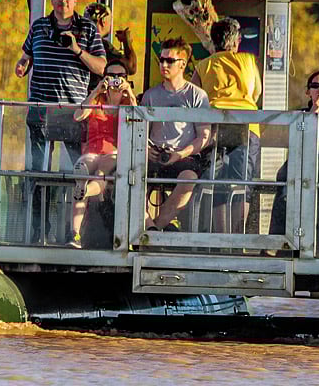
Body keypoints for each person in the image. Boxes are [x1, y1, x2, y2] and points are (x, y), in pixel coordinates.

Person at [14, 0, 106, 243]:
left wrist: (76, 49)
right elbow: (27, 56)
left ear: (75, 1)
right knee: (37, 173)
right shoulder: (39, 26)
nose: (62, 2)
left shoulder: (87, 28)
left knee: (79, 173)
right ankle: (38, 232)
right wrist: (22, 65)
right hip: (41, 110)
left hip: (73, 114)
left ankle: (79, 232)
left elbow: (101, 67)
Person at [267, 71, 319, 258]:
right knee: (285, 178)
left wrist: (308, 143)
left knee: (318, 181)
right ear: (308, 92)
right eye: (315, 86)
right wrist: (313, 116)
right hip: (301, 161)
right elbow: (293, 142)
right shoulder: (301, 116)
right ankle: (277, 238)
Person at [191, 18, 263, 234]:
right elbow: (256, 93)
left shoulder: (204, 65)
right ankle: (237, 237)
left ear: (213, 41)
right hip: (246, 125)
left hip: (215, 126)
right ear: (237, 41)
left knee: (217, 182)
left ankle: (221, 236)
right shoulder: (248, 61)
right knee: (243, 184)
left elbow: (194, 94)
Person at [140, 38, 213, 231]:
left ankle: (157, 227)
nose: (164, 65)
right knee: (131, 176)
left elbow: (204, 136)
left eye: (169, 61)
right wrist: (146, 150)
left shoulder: (196, 95)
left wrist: (180, 154)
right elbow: (140, 132)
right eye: (161, 60)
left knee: (189, 178)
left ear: (183, 63)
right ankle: (150, 228)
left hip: (184, 156)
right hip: (154, 154)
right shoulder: (150, 95)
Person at [67, 59, 137, 248]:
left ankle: (84, 191)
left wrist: (128, 92)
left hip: (113, 153)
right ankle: (75, 233)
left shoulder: (126, 102)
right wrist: (97, 90)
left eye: (120, 76)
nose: (115, 80)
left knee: (100, 174)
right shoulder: (97, 99)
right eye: (111, 76)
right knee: (83, 168)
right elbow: (78, 116)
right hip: (92, 151)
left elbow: (138, 118)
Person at [84, 3, 137, 76]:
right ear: (103, 22)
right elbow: (131, 67)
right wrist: (127, 41)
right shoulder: (102, 45)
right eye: (110, 20)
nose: (111, 24)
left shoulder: (79, 42)